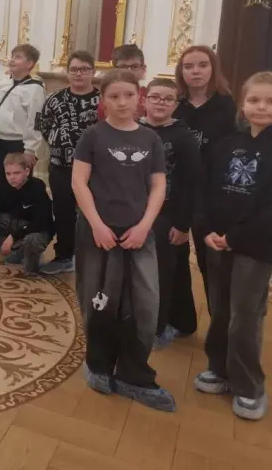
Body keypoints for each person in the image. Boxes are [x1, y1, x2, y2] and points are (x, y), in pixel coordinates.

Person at [194, 72, 272, 421]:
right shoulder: (228, 143)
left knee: (245, 314)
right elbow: (206, 188)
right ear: (243, 104)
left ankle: (249, 384)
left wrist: (234, 237)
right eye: (254, 100)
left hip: (257, 244)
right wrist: (206, 228)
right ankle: (219, 368)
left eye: (270, 101)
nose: (261, 107)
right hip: (218, 240)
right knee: (220, 308)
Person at [72, 69, 172, 411]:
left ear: (139, 97)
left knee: (143, 303)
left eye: (128, 95)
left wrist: (145, 226)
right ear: (103, 100)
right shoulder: (92, 136)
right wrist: (97, 224)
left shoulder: (150, 139)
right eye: (114, 96)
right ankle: (99, 364)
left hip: (138, 233)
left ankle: (133, 371)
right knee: (100, 300)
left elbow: (158, 185)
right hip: (98, 233)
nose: (122, 102)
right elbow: (79, 182)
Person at [140, 78, 201, 348]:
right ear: (145, 100)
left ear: (176, 105)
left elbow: (191, 181)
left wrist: (183, 223)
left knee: (163, 272)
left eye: (167, 99)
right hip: (135, 210)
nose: (160, 103)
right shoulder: (135, 130)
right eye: (155, 97)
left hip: (168, 214)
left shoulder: (183, 137)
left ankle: (158, 327)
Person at [174, 45, 236, 302]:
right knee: (174, 260)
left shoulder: (227, 105)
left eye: (202, 65)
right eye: (188, 66)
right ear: (181, 72)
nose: (196, 71)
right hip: (179, 190)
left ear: (213, 69)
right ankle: (179, 317)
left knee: (212, 263)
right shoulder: (175, 105)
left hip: (214, 193)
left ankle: (219, 321)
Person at [37, 50, 100, 275]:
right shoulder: (54, 99)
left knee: (93, 213)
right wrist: (59, 145)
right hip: (61, 167)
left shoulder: (103, 100)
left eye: (84, 69)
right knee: (63, 213)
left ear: (93, 72)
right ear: (67, 72)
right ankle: (65, 256)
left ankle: (94, 256)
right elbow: (44, 126)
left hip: (96, 170)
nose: (79, 74)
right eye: (74, 69)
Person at [0, 43, 45, 200]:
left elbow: (35, 121)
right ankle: (1, 213)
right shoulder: (3, 84)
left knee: (18, 186)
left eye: (18, 57)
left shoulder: (35, 89)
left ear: (29, 63)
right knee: (0, 183)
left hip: (18, 145)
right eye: (12, 56)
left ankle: (19, 215)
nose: (12, 60)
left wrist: (30, 150)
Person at [0, 153, 54, 274]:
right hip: (16, 224)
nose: (12, 177)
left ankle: (31, 267)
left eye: (16, 173)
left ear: (27, 172)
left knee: (32, 240)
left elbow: (40, 222)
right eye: (8, 174)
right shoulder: (6, 187)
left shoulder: (37, 188)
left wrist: (13, 236)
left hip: (37, 230)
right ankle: (13, 251)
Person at [97, 44, 148, 121]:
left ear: (143, 69)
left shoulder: (150, 96)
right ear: (114, 70)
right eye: (123, 67)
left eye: (134, 66)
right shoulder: (108, 97)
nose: (129, 71)